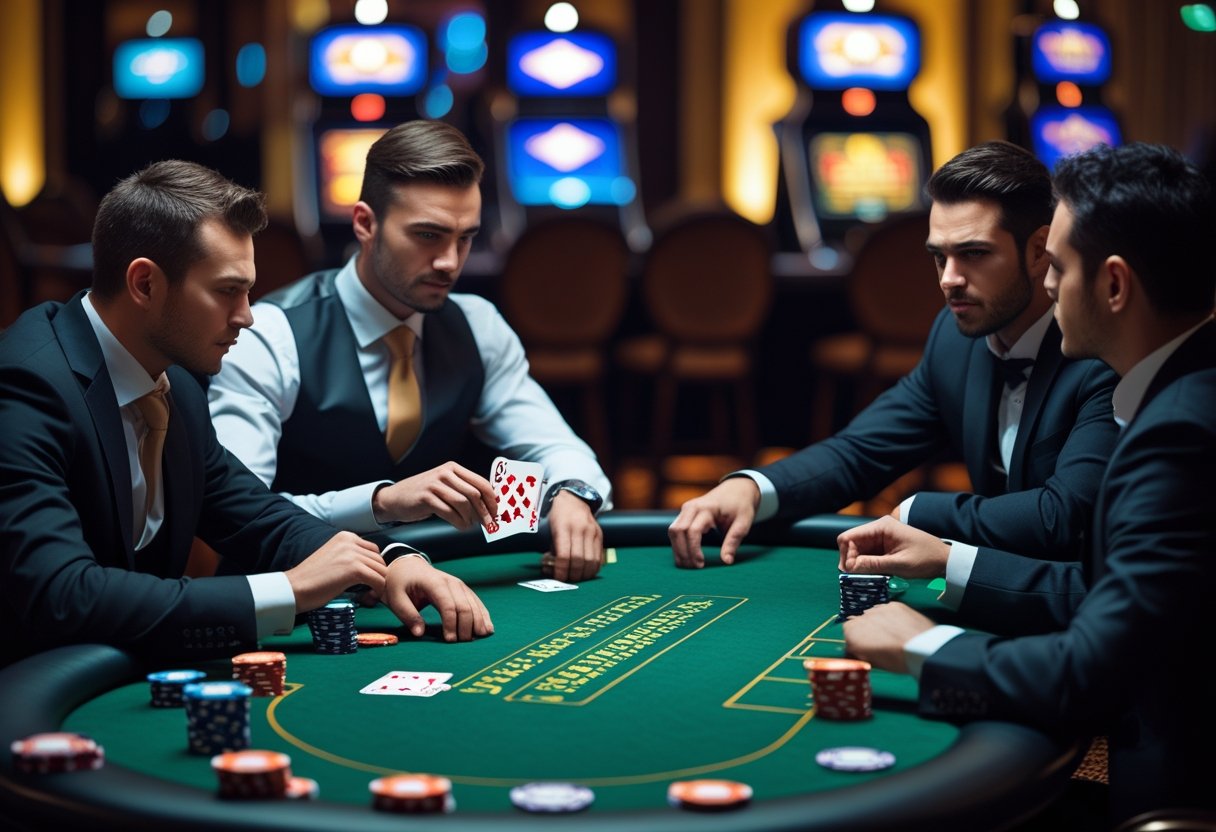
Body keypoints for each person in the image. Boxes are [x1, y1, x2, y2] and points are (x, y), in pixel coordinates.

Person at [838, 142, 1216, 824]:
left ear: (1115, 285)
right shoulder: (1182, 392)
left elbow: (1088, 673)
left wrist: (922, 648)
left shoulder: (1180, 433)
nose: (1046, 285)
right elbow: (1112, 592)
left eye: (1061, 267)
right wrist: (953, 564)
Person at [0, 160, 493, 668]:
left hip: (117, 671)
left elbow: (257, 516)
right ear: (145, 284)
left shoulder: (178, 382)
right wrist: (286, 590)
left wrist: (390, 562)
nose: (247, 316)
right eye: (227, 291)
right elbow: (60, 592)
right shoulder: (27, 386)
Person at [669, 141, 1119, 568]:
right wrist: (753, 488)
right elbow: (860, 451)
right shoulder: (954, 337)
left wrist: (915, 511)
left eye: (974, 254)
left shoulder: (1097, 350)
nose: (949, 279)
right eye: (939, 257)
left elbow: (1062, 517)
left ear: (1040, 250)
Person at [208, 120, 611, 583]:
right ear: (365, 224)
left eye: (465, 238)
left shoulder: (477, 325)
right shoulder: (269, 337)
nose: (450, 263)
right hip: (293, 596)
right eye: (428, 236)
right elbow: (237, 515)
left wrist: (572, 493)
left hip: (433, 583)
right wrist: (382, 502)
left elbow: (555, 447)